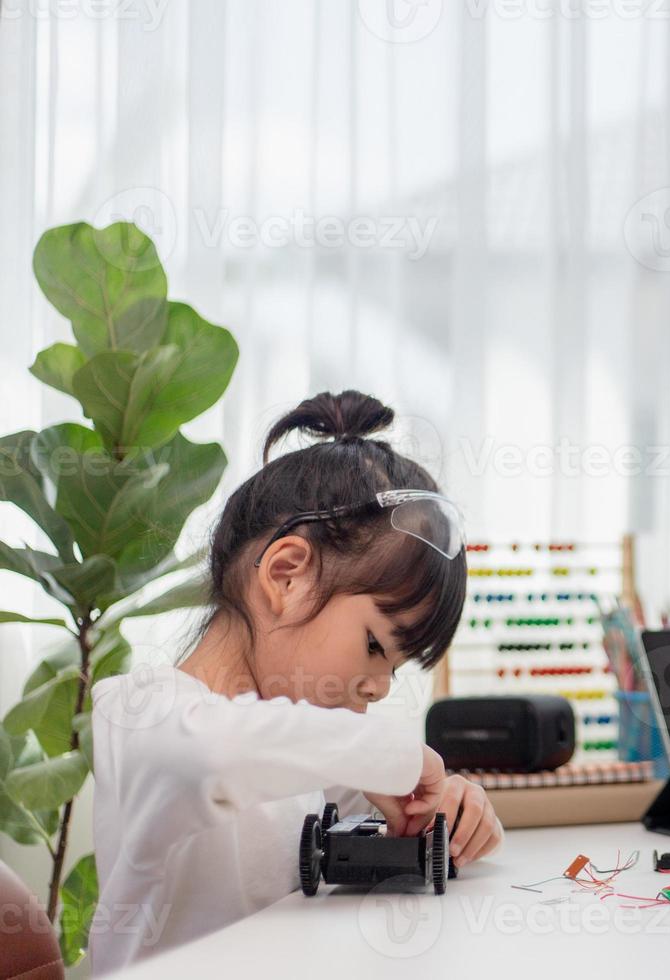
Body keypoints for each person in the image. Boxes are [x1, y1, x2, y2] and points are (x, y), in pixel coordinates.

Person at [89, 390, 502, 974]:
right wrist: (392, 758)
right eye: (374, 646)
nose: (381, 688)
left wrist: (453, 809)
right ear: (287, 576)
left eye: (394, 668)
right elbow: (213, 754)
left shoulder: (297, 746)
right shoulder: (138, 713)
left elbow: (387, 800)